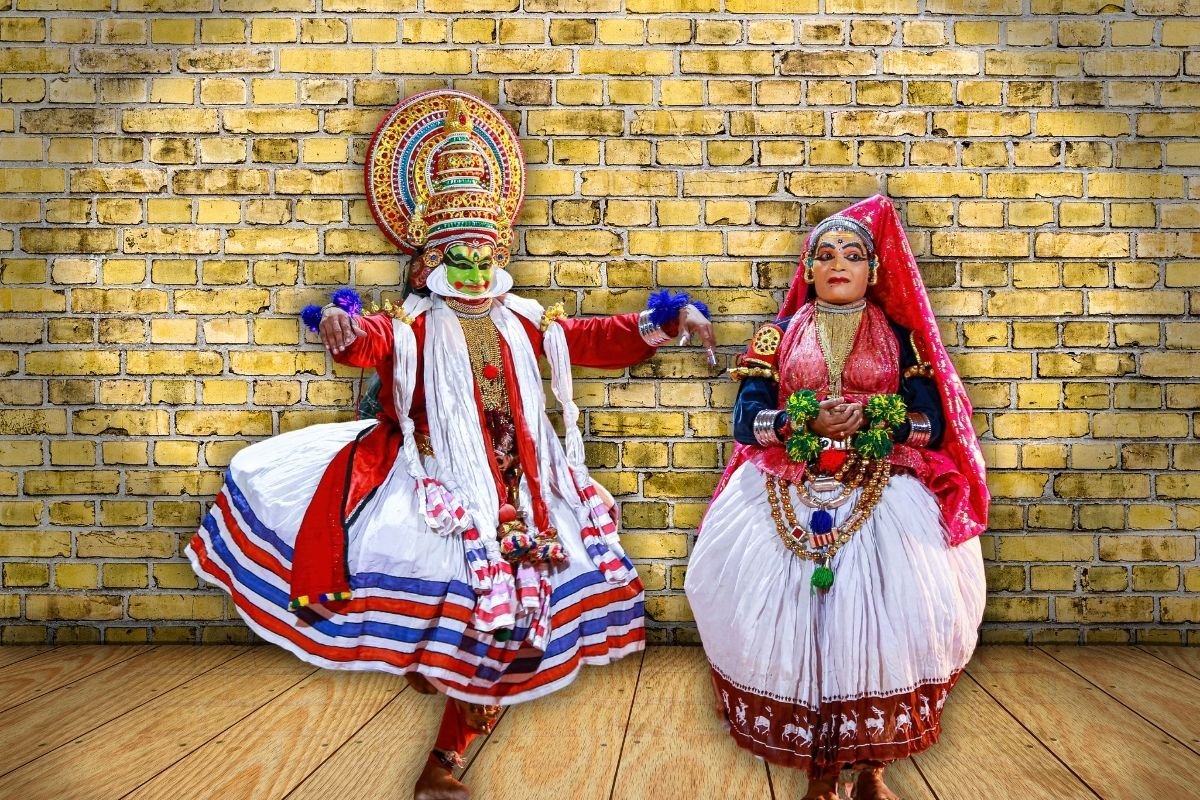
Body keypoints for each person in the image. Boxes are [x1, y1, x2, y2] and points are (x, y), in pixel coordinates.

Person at [186, 89, 714, 800]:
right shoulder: (410, 326)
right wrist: (341, 332)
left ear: (498, 257)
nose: (471, 274)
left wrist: (666, 321)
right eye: (456, 262)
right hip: (435, 485)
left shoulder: (527, 322)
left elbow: (595, 339)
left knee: (513, 628)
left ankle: (444, 760)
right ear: (432, 262)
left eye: (482, 260)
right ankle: (436, 686)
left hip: (524, 489)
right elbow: (368, 341)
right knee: (467, 617)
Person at [684, 194, 989, 800]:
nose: (838, 263)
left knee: (892, 622)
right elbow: (746, 423)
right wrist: (803, 423)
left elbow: (930, 424)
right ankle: (821, 777)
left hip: (884, 489)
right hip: (789, 485)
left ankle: (873, 769)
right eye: (825, 255)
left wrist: (877, 416)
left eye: (853, 254)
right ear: (809, 269)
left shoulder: (903, 338)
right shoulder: (777, 336)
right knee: (805, 625)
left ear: (874, 271)